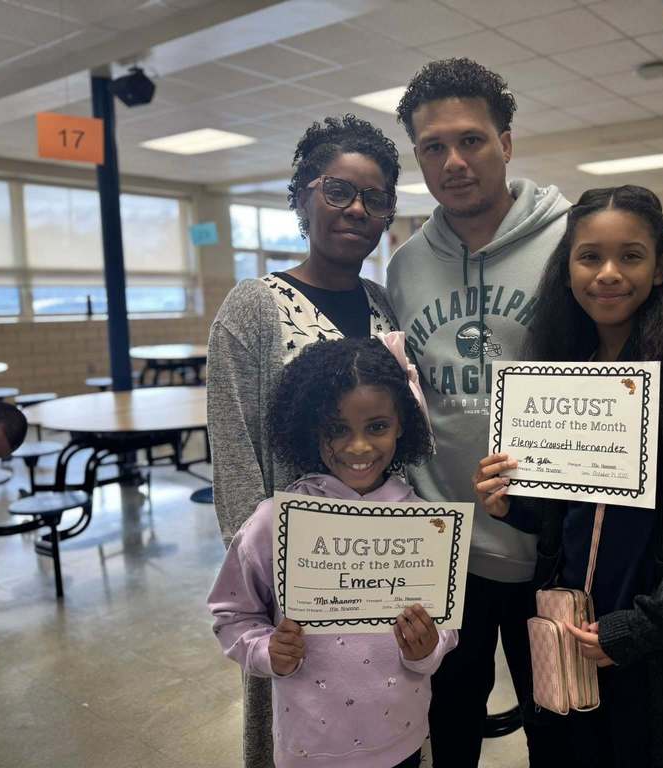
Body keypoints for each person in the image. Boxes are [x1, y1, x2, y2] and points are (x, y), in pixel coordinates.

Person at [473, 186, 663, 767]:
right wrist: (515, 502)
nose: (608, 274)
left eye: (630, 256)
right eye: (589, 257)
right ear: (566, 270)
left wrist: (643, 627)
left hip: (661, 641)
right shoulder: (555, 375)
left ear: (661, 268)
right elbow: (575, 514)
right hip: (564, 631)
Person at [388, 58, 571, 766]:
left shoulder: (568, 244)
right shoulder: (404, 266)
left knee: (559, 720)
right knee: (450, 723)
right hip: (445, 553)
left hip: (552, 555)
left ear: (508, 143)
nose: (453, 161)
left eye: (472, 140)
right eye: (433, 147)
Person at [207, 115, 400, 768]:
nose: (357, 209)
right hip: (297, 579)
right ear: (301, 196)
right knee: (298, 731)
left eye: (375, 198)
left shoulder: (383, 305)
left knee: (383, 717)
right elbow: (233, 450)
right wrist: (262, 585)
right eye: (338, 190)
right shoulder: (253, 307)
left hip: (381, 563)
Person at [209, 336, 455, 768]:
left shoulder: (423, 524)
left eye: (377, 426)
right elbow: (232, 615)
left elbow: (446, 626)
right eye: (337, 429)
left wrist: (427, 648)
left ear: (403, 424)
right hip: (308, 747)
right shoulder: (275, 523)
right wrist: (268, 651)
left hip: (403, 739)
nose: (358, 447)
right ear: (311, 429)